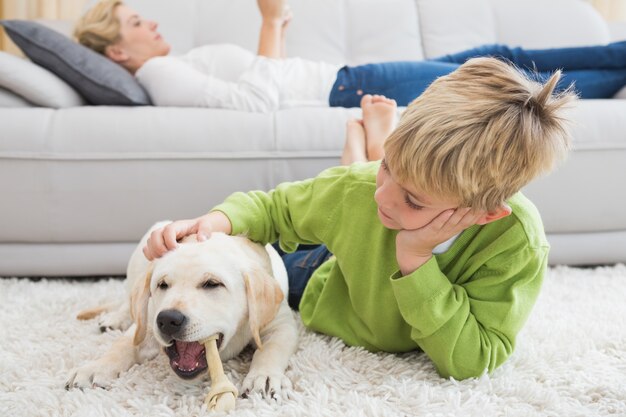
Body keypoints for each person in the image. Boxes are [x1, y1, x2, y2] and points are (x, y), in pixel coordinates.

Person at [141, 57, 578, 380]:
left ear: (482, 215)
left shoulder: (516, 242)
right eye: (388, 166)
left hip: (364, 252)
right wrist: (214, 222)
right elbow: (274, 209)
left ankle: (368, 147)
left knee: (353, 193)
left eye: (412, 198)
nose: (382, 196)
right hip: (321, 277)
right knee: (332, 203)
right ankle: (370, 151)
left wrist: (416, 260)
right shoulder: (364, 190)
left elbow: (472, 360)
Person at [75, 0, 626, 112]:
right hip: (346, 88)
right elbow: (255, 102)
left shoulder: (168, 64)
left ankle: (618, 57)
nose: (151, 21)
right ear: (117, 48)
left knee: (498, 60)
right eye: (135, 22)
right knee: (504, 79)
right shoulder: (159, 74)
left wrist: (278, 31)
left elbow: (268, 77)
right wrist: (267, 21)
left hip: (341, 81)